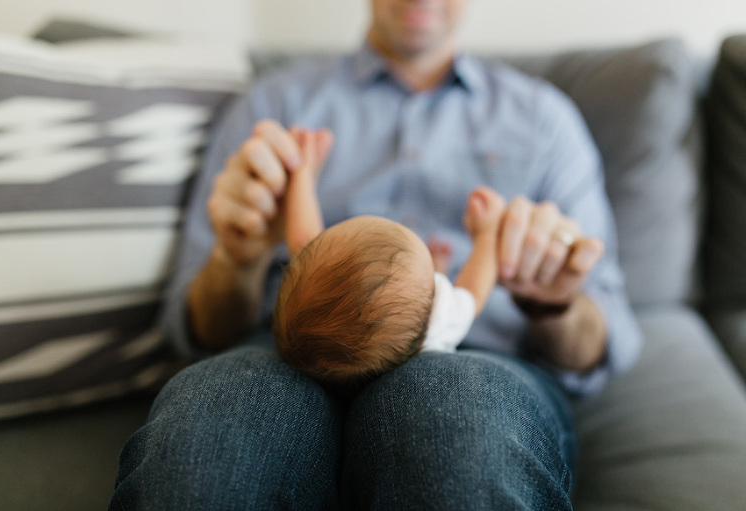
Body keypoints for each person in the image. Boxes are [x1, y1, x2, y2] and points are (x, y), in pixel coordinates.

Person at [110, 0, 643, 509]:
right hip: (287, 349)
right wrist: (240, 258)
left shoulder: (545, 119)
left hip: (478, 361)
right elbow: (196, 329)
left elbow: (607, 338)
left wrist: (555, 302)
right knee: (214, 422)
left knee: (454, 413)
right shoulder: (274, 105)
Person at [275, 128, 506, 389]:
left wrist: (301, 174)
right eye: (433, 283)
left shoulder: (312, 282)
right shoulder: (436, 325)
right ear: (435, 307)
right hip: (410, 388)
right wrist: (488, 235)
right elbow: (473, 293)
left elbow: (302, 237)